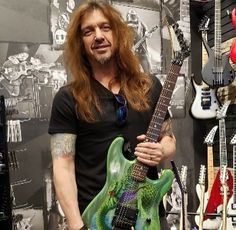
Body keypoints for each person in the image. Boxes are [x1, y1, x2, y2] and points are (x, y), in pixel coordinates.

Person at [48, 1, 176, 230]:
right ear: (81, 43)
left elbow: (168, 139)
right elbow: (62, 167)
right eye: (88, 31)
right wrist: (77, 225)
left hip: (149, 216)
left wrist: (162, 150)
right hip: (98, 219)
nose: (98, 36)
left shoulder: (149, 86)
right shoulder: (68, 98)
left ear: (118, 34)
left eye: (105, 27)